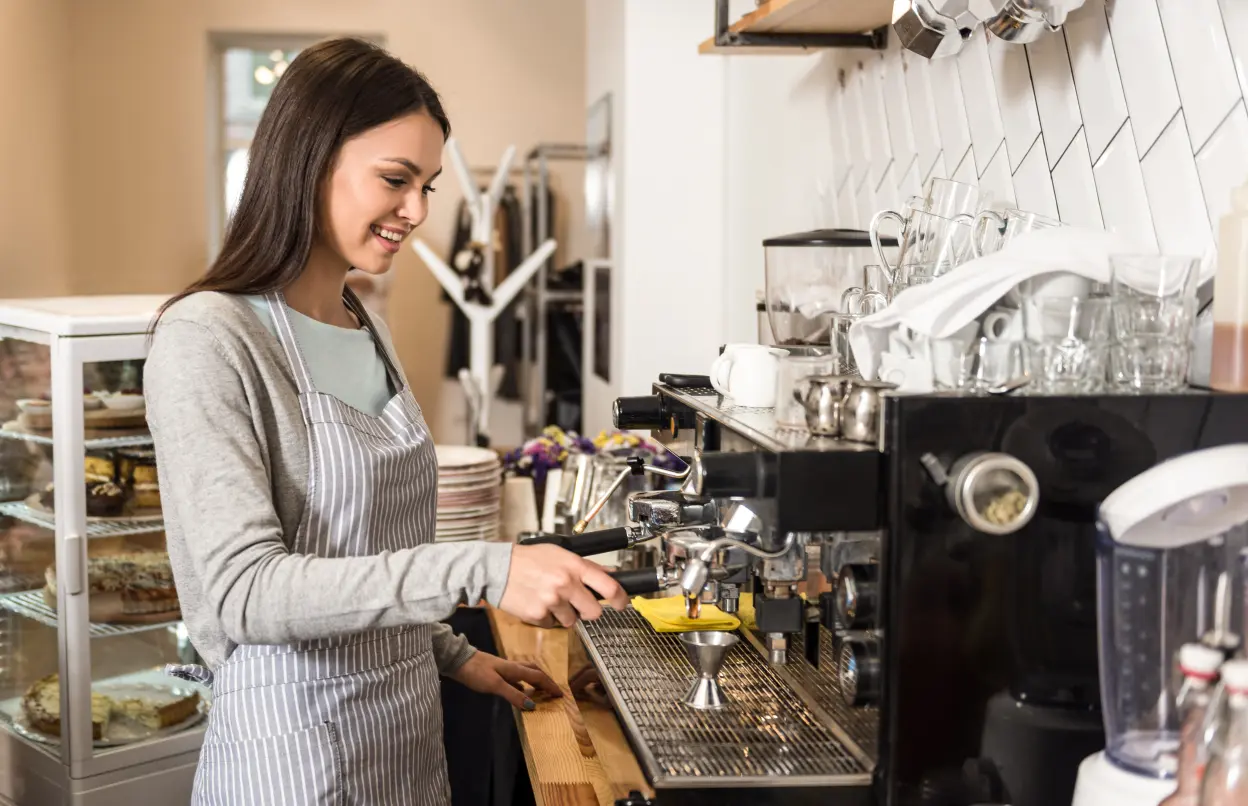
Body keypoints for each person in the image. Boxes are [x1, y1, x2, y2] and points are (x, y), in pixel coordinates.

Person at [144, 37, 628, 806]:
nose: (419, 211)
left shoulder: (360, 320)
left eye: (428, 185)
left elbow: (363, 552)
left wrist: (452, 654)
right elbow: (246, 592)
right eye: (397, 180)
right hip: (291, 758)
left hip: (404, 737)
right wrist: (485, 567)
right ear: (308, 160)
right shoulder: (207, 337)